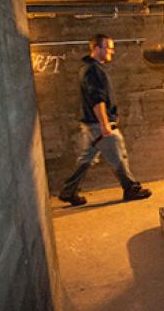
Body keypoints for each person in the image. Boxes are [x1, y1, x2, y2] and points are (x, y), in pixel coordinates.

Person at [58, 34, 151, 206]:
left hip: (92, 124)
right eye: (108, 47)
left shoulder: (88, 69)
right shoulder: (93, 71)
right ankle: (131, 188)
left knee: (87, 159)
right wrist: (104, 124)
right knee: (118, 155)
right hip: (98, 125)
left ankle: (68, 191)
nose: (112, 51)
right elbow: (97, 99)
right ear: (97, 48)